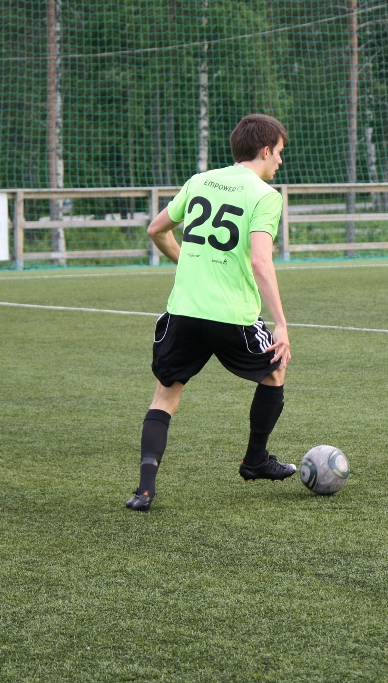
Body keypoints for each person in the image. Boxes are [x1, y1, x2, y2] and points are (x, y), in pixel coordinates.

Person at [126, 114, 296, 511]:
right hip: (231, 315)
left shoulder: (199, 181)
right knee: (276, 368)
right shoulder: (265, 196)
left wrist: (187, 262)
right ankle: (255, 460)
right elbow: (260, 261)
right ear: (265, 150)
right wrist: (281, 324)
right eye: (279, 153)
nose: (280, 161)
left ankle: (144, 491)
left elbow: (155, 229)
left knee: (165, 395)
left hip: (183, 311)